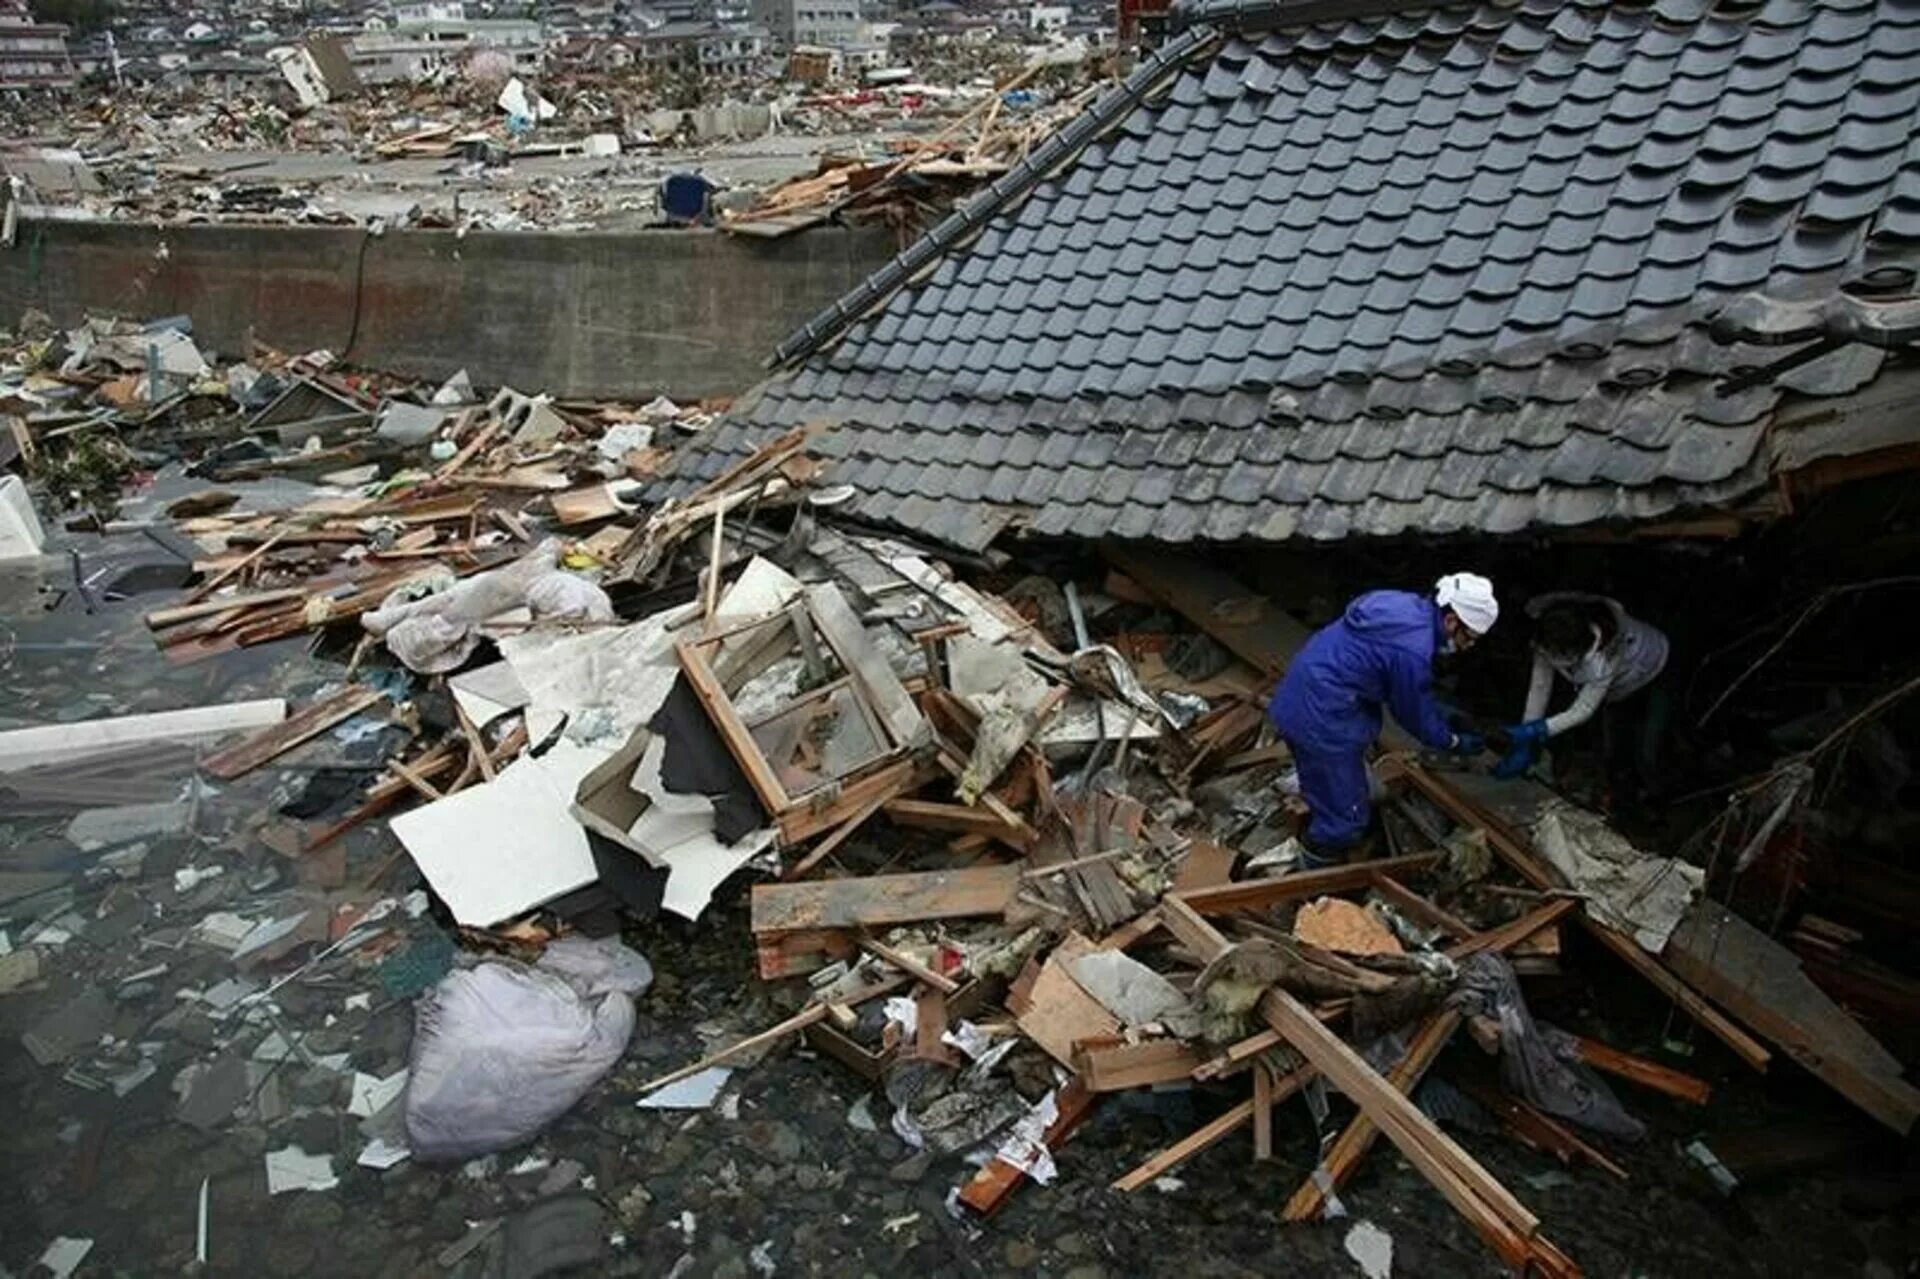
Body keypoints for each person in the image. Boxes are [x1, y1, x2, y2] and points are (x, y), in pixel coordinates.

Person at [1269, 573, 1499, 870]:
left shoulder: (1398, 605)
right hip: (1324, 720)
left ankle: (1320, 808)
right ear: (1452, 621)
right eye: (1469, 638)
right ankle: (1304, 884)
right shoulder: (1413, 652)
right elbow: (1411, 713)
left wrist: (1447, 715)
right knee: (1346, 822)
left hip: (1301, 695)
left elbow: (1392, 678)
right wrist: (1452, 741)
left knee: (1356, 790)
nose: (1468, 646)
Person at [1492, 592, 1671, 786]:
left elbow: (1584, 708)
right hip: (1614, 672)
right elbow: (1540, 686)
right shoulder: (1549, 633)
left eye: (1558, 654)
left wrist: (1539, 729)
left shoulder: (1605, 657)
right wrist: (1526, 732)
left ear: (1578, 649)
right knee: (1586, 724)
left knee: (1642, 748)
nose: (1550, 657)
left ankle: (1648, 793)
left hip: (1656, 666)